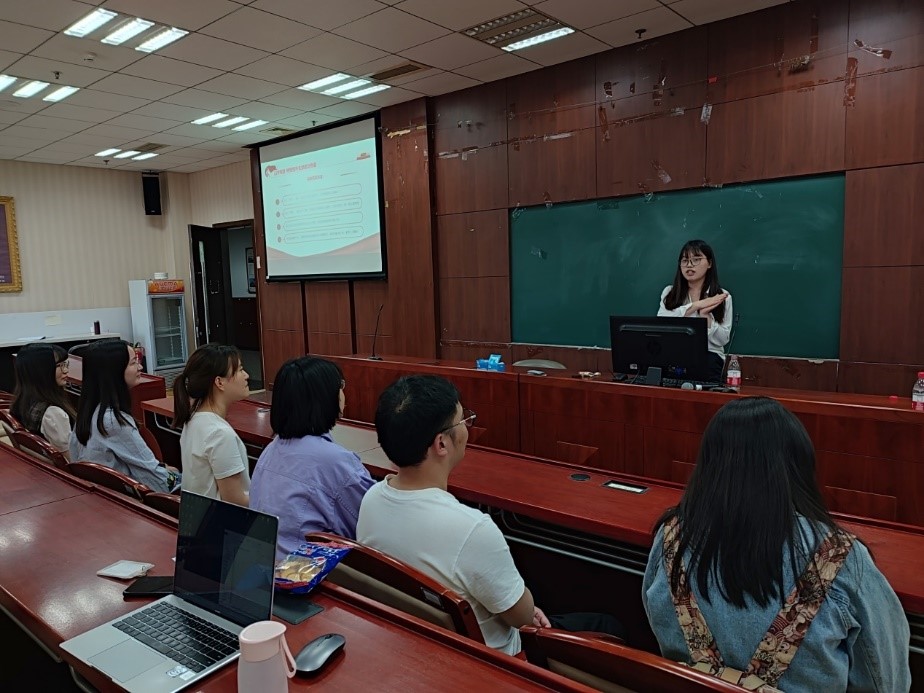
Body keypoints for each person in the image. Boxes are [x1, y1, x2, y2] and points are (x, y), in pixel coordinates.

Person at [642, 397, 911, 692]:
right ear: (798, 464)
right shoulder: (838, 556)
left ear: (708, 464)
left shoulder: (672, 538)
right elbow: (886, 681)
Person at [358, 375, 622, 656]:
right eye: (462, 420)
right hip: (489, 662)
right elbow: (522, 618)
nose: (467, 428)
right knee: (609, 625)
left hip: (414, 641)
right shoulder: (472, 529)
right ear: (441, 444)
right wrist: (526, 607)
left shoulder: (371, 499)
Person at [250, 356, 374, 559]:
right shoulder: (334, 461)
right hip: (302, 572)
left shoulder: (272, 448)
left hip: (264, 563)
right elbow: (370, 523)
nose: (343, 393)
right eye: (340, 386)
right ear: (325, 397)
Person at [70, 339, 180, 494]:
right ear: (114, 371)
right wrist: (179, 478)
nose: (140, 367)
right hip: (127, 497)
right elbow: (154, 478)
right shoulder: (113, 421)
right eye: (134, 362)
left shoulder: (88, 411)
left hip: (102, 494)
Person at [172, 344, 250, 506]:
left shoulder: (194, 419)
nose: (246, 376)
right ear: (219, 382)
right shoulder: (219, 433)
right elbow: (235, 502)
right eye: (240, 370)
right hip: (220, 520)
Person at [658, 239, 732, 382]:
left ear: (709, 263)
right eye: (685, 260)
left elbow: (722, 340)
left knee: (709, 364)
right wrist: (698, 305)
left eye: (696, 259)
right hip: (674, 356)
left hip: (709, 357)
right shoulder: (670, 293)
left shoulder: (722, 296)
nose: (689, 265)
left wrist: (706, 317)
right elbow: (663, 323)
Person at [10, 343, 75, 455]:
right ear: (41, 371)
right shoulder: (53, 413)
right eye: (60, 366)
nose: (65, 370)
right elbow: (69, 458)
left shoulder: (22, 400)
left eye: (66, 364)